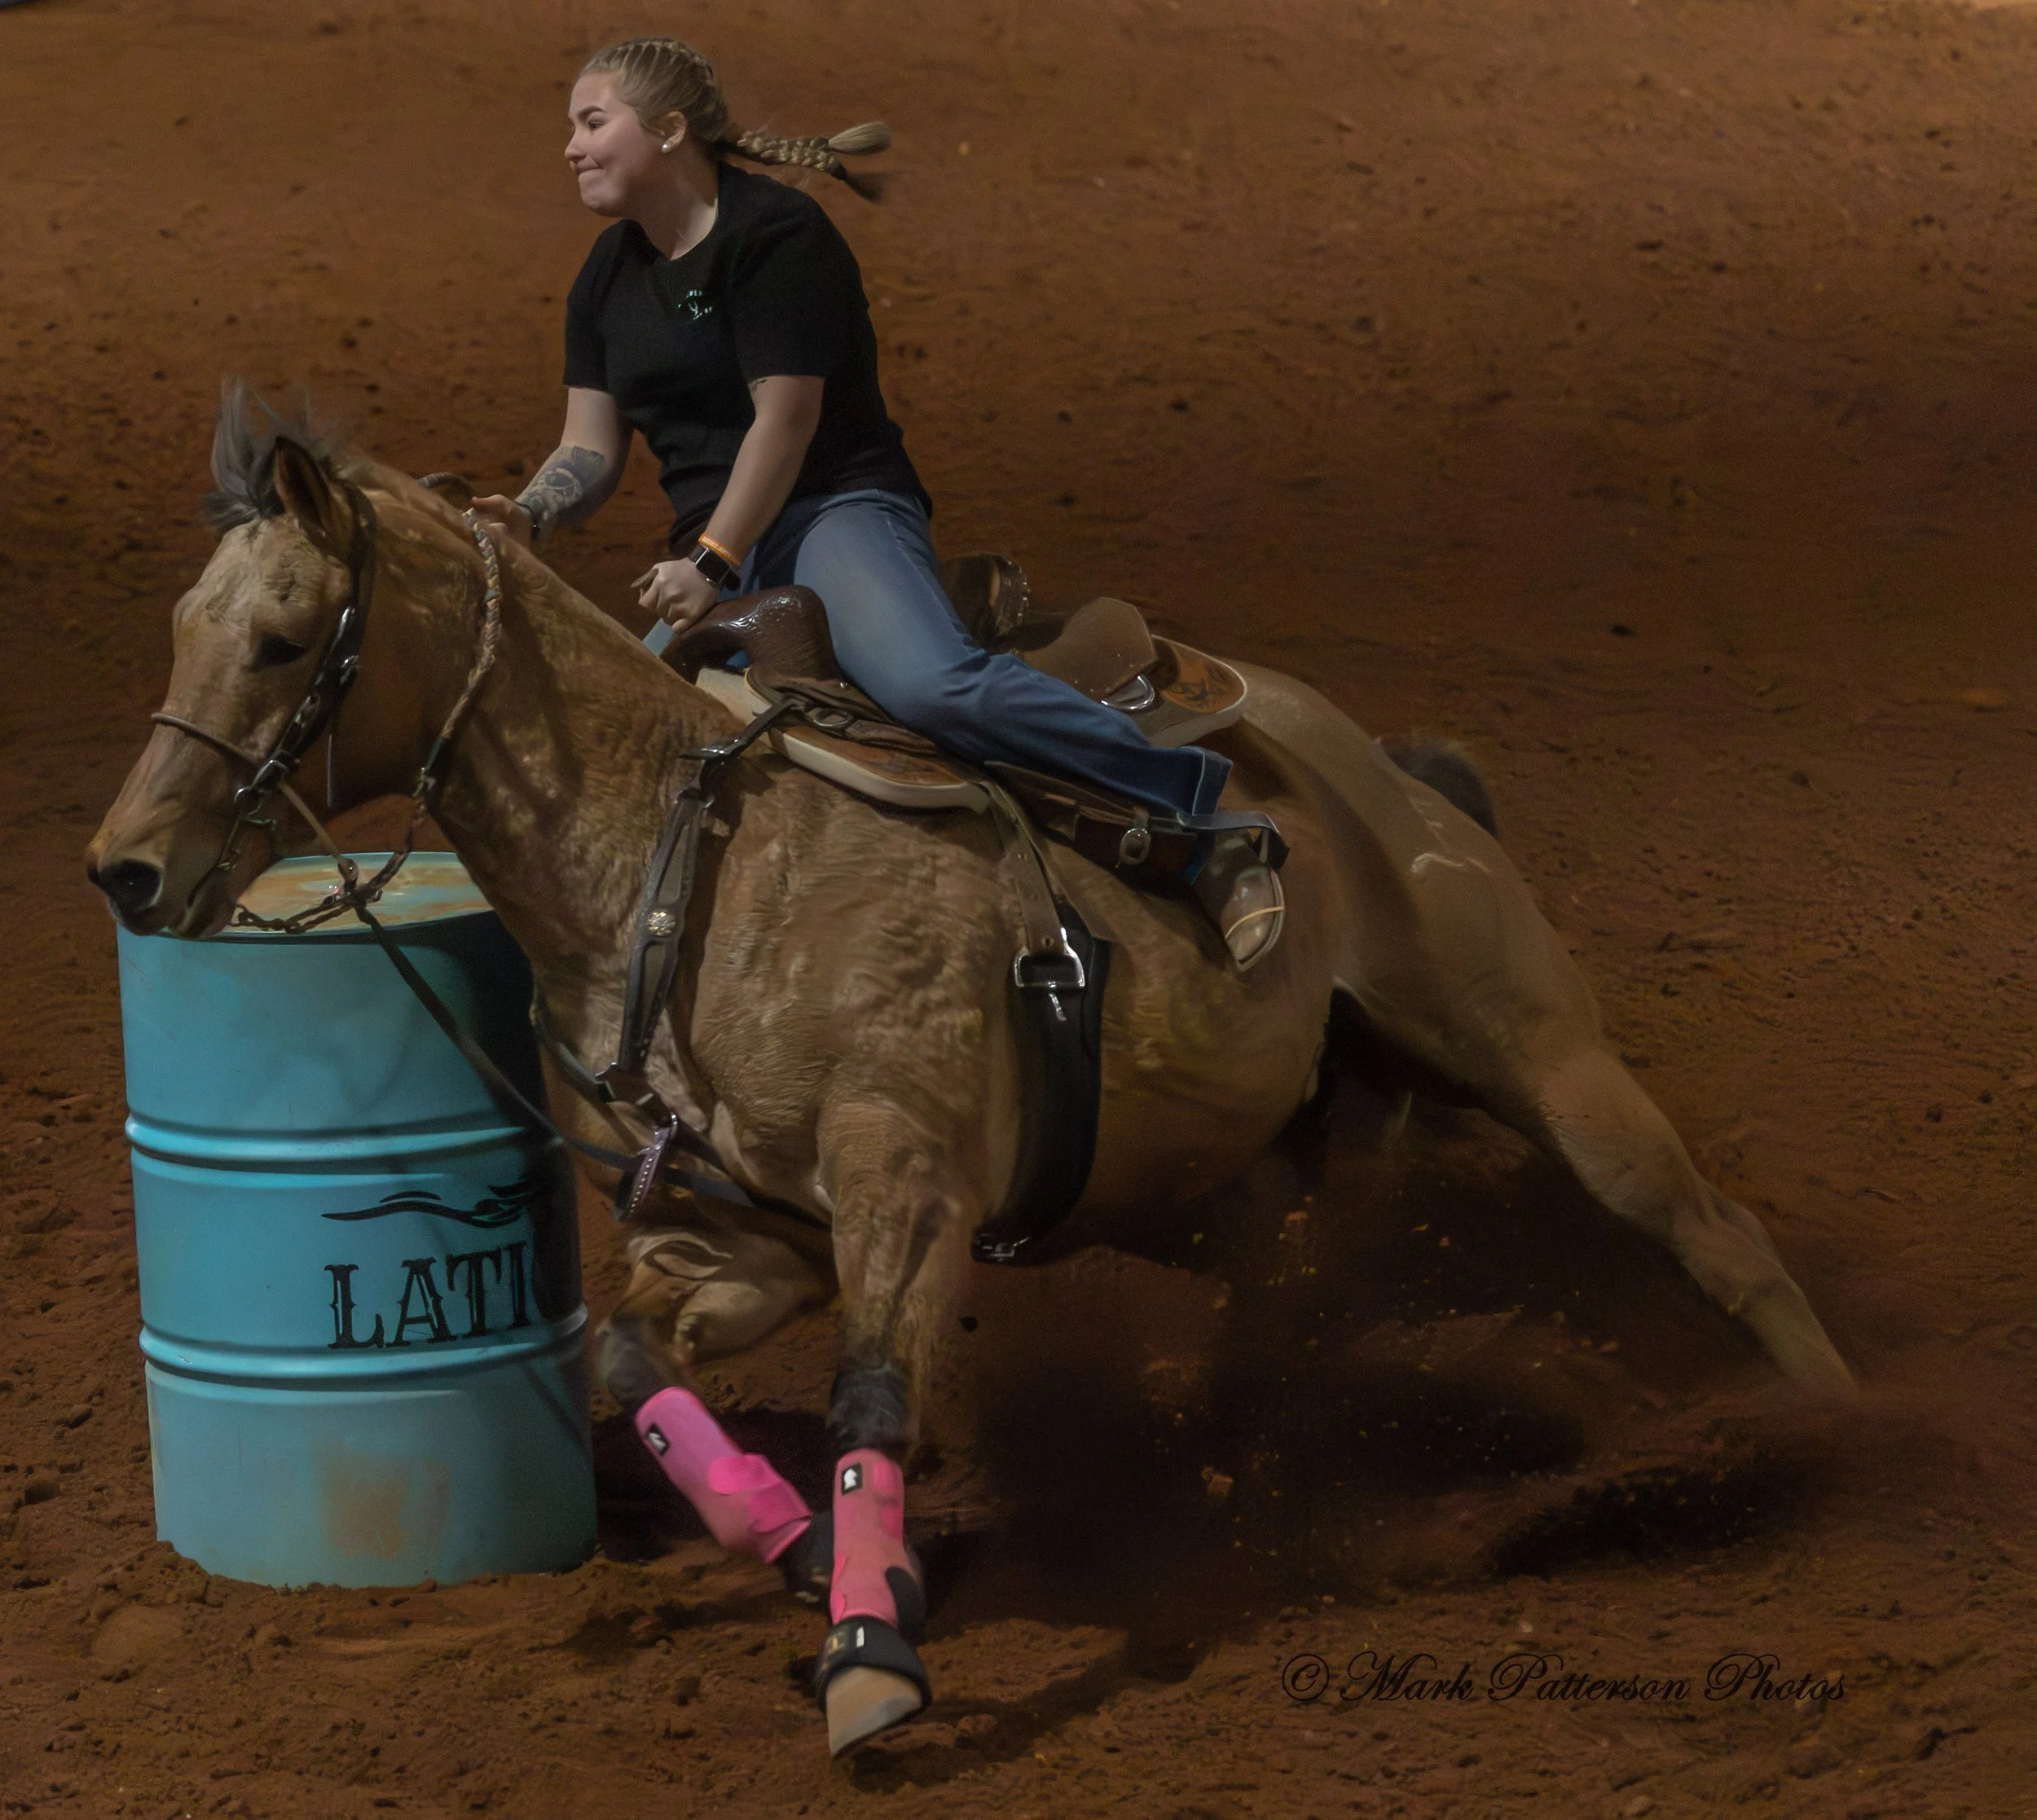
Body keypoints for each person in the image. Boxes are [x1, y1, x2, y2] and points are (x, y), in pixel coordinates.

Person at [473, 36, 1278, 963]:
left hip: (830, 512)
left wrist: (711, 562)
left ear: (666, 129)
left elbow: (787, 417)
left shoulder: (772, 237)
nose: (569, 146)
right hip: (717, 549)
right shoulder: (607, 280)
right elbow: (589, 444)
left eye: (590, 121)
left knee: (928, 684)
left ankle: (1202, 812)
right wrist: (530, 511)